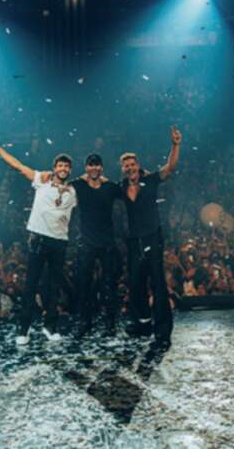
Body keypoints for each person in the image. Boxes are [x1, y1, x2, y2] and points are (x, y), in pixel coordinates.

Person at [0, 132, 77, 345]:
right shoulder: (41, 181)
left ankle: (50, 326)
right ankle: (23, 329)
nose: (63, 169)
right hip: (38, 239)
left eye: (66, 167)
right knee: (31, 285)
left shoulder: (74, 191)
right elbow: (18, 165)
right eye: (60, 166)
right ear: (55, 168)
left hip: (60, 242)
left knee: (54, 286)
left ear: (69, 170)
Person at [119, 125, 182, 347]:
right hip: (134, 240)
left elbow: (170, 168)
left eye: (132, 164)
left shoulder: (151, 180)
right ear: (123, 169)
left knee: (157, 282)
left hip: (153, 237)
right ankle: (143, 323)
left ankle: (163, 329)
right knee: (136, 284)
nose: (130, 168)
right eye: (126, 166)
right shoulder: (121, 187)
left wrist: (175, 145)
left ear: (138, 165)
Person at [69, 154, 123, 338]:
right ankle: (85, 322)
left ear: (101, 168)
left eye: (97, 165)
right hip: (86, 241)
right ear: (86, 168)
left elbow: (127, 189)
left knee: (110, 285)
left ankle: (110, 323)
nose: (94, 168)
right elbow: (62, 185)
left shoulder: (109, 187)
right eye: (90, 165)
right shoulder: (79, 185)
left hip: (107, 242)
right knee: (83, 284)